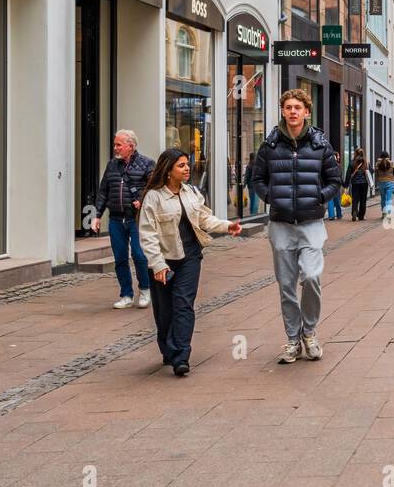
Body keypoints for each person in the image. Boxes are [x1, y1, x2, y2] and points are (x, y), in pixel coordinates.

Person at [250, 88, 343, 364]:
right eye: (288, 107)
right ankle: (293, 339)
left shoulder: (320, 145)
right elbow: (257, 179)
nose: (293, 111)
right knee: (286, 285)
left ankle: (310, 332)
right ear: (283, 111)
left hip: (311, 221)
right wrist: (271, 197)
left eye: (297, 107)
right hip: (280, 223)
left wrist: (318, 197)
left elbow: (334, 181)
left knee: (312, 277)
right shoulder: (270, 145)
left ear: (306, 112)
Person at [138, 148, 242, 376]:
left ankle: (181, 355)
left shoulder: (191, 192)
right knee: (164, 311)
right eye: (181, 165)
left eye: (187, 164)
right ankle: (168, 347)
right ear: (168, 171)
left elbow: (204, 218)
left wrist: (227, 226)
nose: (187, 169)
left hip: (190, 257)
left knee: (183, 303)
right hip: (164, 259)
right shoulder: (153, 198)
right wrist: (157, 265)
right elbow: (147, 234)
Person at [91, 129, 156, 310]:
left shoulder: (147, 164)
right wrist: (97, 215)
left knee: (139, 255)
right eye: (115, 144)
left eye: (118, 145)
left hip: (136, 219)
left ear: (131, 146)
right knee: (120, 258)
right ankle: (126, 294)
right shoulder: (112, 165)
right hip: (115, 219)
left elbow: (156, 188)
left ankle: (145, 289)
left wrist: (142, 199)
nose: (115, 148)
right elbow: (103, 191)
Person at [346, 149, 371, 220]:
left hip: (355, 183)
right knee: (363, 200)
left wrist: (346, 184)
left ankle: (354, 211)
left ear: (355, 154)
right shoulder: (366, 163)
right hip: (364, 183)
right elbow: (371, 171)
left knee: (355, 199)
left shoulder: (352, 162)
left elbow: (348, 174)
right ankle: (361, 215)